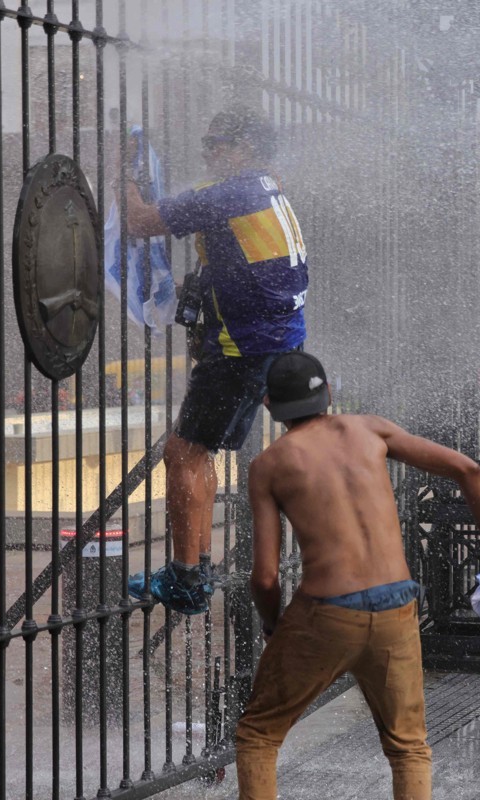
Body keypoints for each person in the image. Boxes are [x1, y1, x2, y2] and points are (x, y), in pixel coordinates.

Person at [236, 352, 480, 800]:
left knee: (258, 736)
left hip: (325, 612)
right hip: (396, 607)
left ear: (268, 404)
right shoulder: (370, 429)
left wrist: (274, 626)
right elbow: (469, 470)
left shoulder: (269, 465)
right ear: (329, 394)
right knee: (408, 747)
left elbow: (264, 577)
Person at [124, 105, 309, 614]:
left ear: (245, 149)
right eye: (207, 142)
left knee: (182, 454)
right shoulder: (267, 186)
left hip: (241, 348)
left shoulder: (228, 193)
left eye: (217, 143)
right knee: (196, 451)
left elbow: (140, 221)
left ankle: (186, 580)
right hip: (273, 341)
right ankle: (196, 569)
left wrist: (120, 173)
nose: (208, 151)